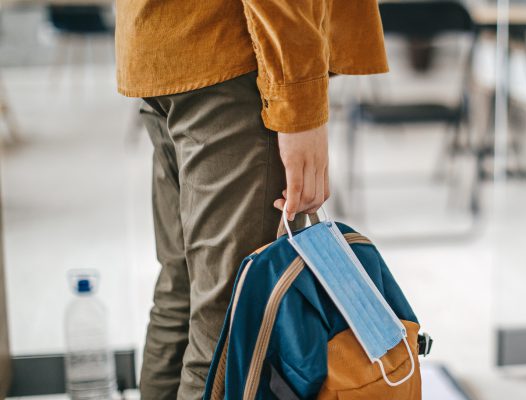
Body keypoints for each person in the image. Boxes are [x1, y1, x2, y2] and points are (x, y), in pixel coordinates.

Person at [114, 2, 389, 398]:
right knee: (228, 329)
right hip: (235, 54)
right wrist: (299, 104)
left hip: (166, 45)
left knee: (184, 294)